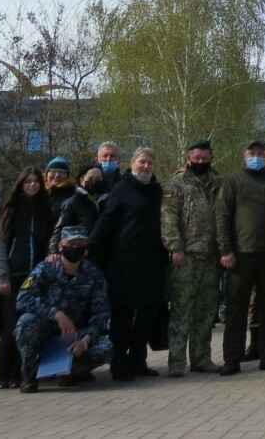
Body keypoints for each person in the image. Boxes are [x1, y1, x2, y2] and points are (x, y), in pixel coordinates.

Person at [90, 146, 167, 380]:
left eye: (150, 163)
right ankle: (119, 363)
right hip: (123, 262)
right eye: (142, 162)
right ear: (132, 163)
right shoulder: (121, 189)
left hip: (152, 262)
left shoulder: (157, 191)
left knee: (147, 313)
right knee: (123, 315)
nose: (145, 167)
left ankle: (138, 360)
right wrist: (90, 248)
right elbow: (106, 221)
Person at [14, 226, 113, 392]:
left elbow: (101, 315)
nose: (76, 248)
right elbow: (23, 299)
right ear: (61, 246)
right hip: (45, 329)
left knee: (106, 347)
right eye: (71, 243)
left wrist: (85, 341)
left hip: (74, 334)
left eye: (80, 244)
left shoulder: (94, 274)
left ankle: (67, 371)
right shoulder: (45, 269)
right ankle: (29, 375)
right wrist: (56, 314)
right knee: (26, 324)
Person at [217, 141, 265, 374]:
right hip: (240, 256)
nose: (256, 157)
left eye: (260, 154)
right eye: (251, 153)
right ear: (243, 156)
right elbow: (223, 216)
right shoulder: (233, 181)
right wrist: (225, 249)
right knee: (236, 308)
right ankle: (232, 359)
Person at [162, 138, 223, 376]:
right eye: (195, 158)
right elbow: (168, 218)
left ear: (211, 158)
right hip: (185, 257)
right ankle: (176, 362)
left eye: (204, 158)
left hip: (211, 256)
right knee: (181, 310)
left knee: (206, 311)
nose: (199, 162)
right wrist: (175, 247)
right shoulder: (176, 184)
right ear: (188, 159)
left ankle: (201, 358)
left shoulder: (220, 183)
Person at [0, 166, 52, 387]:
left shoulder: (44, 209)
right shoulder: (9, 209)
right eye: (28, 182)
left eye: (36, 181)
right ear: (21, 184)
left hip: (34, 277)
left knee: (26, 326)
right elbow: (0, 245)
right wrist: (3, 276)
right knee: (10, 327)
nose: (32, 185)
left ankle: (19, 372)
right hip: (12, 274)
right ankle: (2, 375)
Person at [52, 164, 102, 247]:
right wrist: (53, 251)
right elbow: (59, 229)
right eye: (90, 178)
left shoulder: (104, 201)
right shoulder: (71, 203)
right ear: (82, 180)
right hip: (79, 253)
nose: (94, 182)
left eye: (98, 179)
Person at [43, 158, 75, 226]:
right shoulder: (38, 191)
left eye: (62, 172)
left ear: (67, 176)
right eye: (52, 171)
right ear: (47, 174)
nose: (57, 175)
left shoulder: (73, 195)